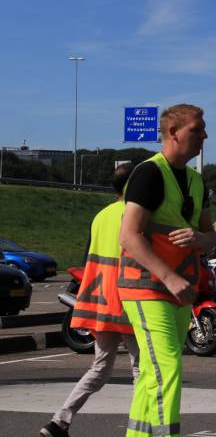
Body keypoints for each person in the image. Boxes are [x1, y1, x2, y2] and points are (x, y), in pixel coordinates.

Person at [118, 104, 216, 437]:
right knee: (167, 368)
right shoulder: (149, 173)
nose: (204, 136)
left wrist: (201, 238)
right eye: (196, 130)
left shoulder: (197, 181)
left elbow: (211, 238)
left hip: (180, 289)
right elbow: (128, 235)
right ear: (173, 132)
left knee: (153, 373)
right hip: (147, 287)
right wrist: (170, 278)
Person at [40, 164, 138, 437]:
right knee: (142, 370)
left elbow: (88, 260)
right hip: (128, 300)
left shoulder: (101, 216)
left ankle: (59, 421)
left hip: (102, 302)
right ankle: (142, 426)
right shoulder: (135, 214)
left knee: (100, 368)